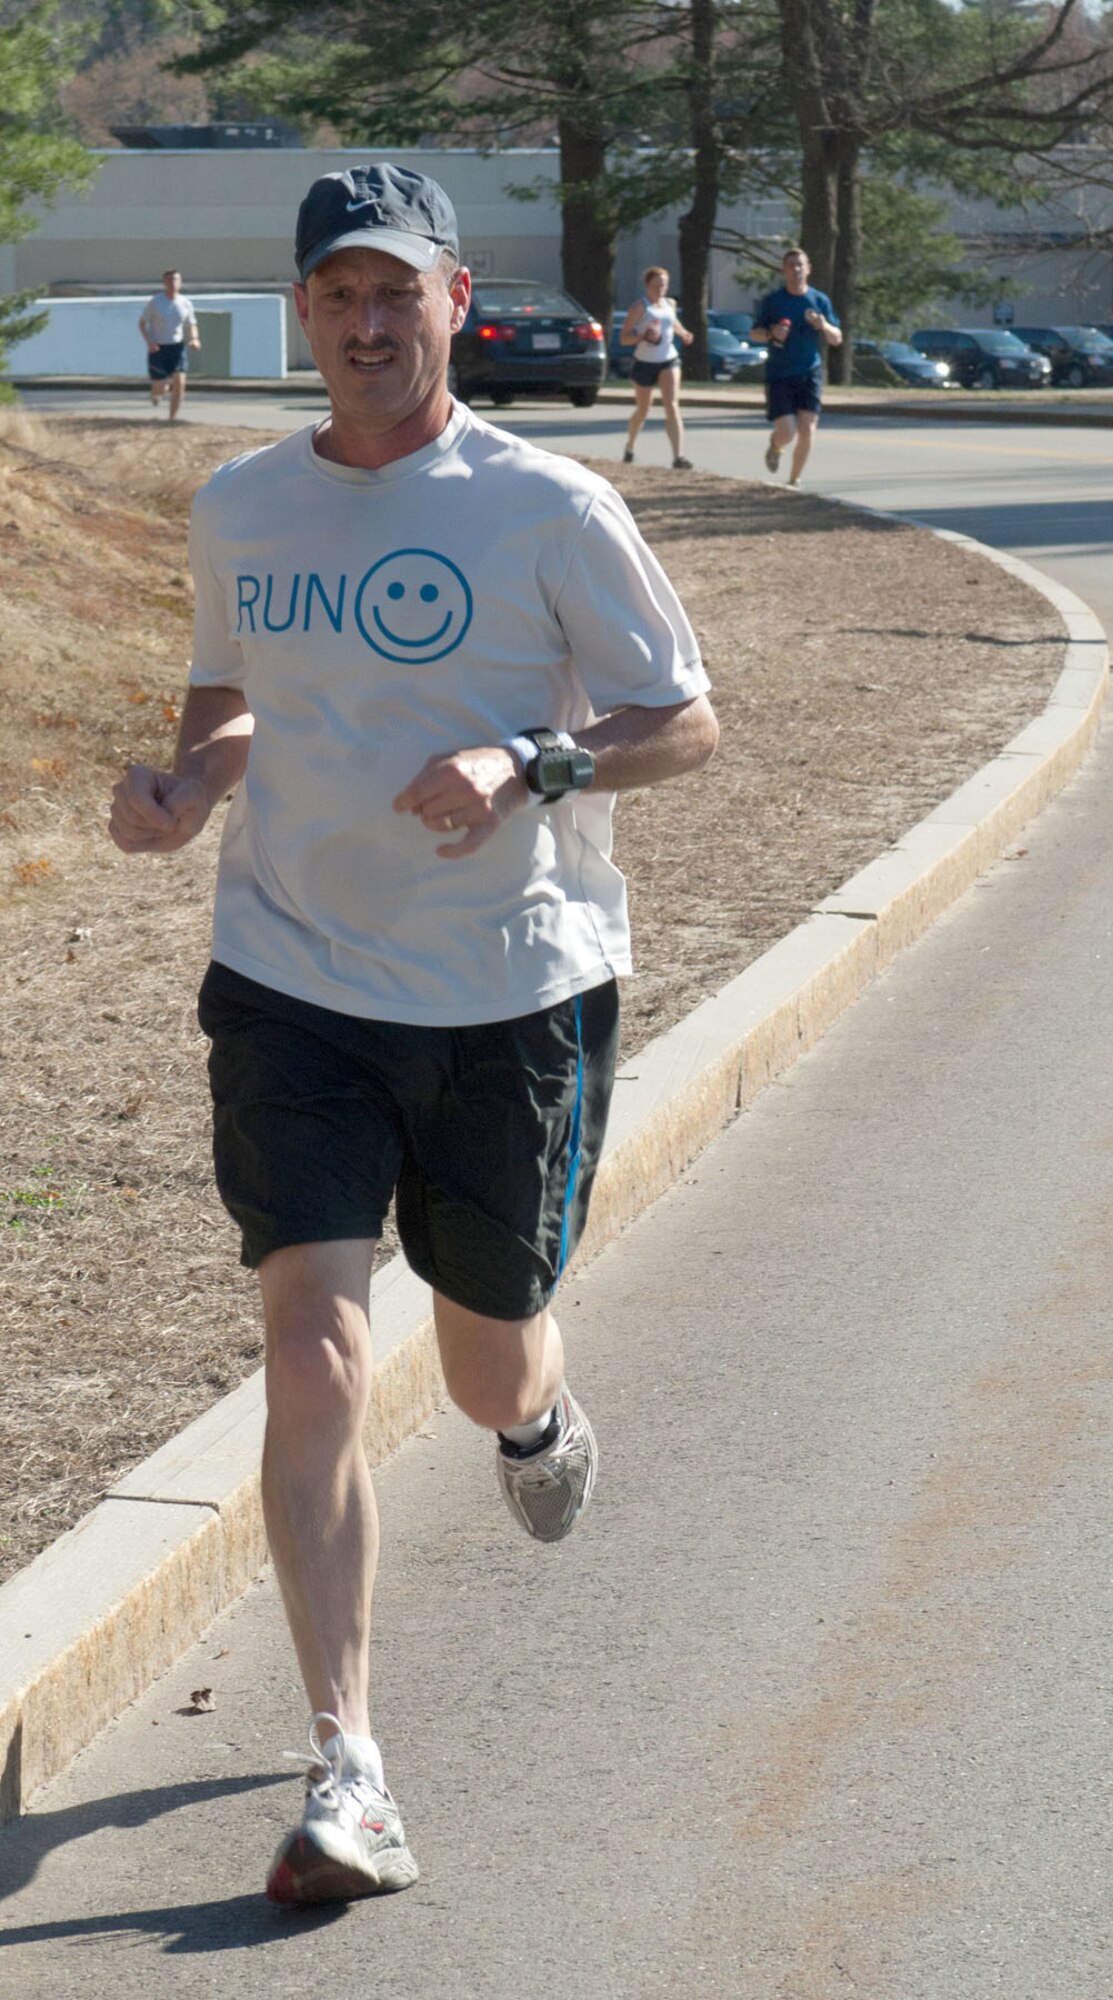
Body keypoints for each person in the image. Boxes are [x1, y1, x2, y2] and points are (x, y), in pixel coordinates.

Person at [108, 162, 718, 1908]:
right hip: (291, 978)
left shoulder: (543, 506)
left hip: (507, 989)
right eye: (336, 298)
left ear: (455, 301)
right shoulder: (242, 504)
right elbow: (232, 699)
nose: (367, 326)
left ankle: (532, 1420)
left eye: (398, 295)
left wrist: (528, 764)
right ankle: (348, 1764)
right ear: (301, 316)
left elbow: (682, 723)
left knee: (480, 1366)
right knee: (312, 1352)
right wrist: (182, 783)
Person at [750, 247, 842, 487]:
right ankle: (776, 444)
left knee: (808, 428)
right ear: (784, 270)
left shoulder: (819, 301)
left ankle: (794, 480)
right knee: (787, 431)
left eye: (800, 265)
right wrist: (771, 333)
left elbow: (837, 338)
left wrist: (823, 325)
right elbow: (755, 333)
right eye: (791, 265)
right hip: (779, 374)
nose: (796, 269)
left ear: (808, 269)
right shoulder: (774, 301)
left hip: (810, 371)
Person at [619, 266, 695, 470]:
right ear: (647, 286)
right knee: (643, 409)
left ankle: (679, 457)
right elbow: (624, 338)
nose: (660, 290)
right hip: (644, 362)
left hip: (668, 360)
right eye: (656, 286)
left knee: (671, 404)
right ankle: (630, 445)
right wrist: (642, 336)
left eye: (663, 285)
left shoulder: (669, 304)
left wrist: (685, 333)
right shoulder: (640, 307)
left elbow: (674, 324)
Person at [138, 269, 201, 420]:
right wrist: (150, 342)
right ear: (164, 283)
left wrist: (194, 339)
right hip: (158, 348)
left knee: (180, 383)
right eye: (170, 280)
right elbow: (142, 323)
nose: (173, 283)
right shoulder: (156, 302)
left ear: (180, 282)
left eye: (176, 279)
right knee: (161, 387)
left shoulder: (185, 302)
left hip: (177, 347)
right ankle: (156, 394)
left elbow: (191, 324)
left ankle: (172, 418)